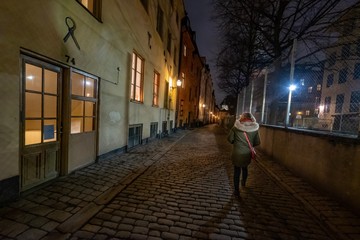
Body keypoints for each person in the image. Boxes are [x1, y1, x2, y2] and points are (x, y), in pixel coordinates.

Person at [227, 112, 260, 197]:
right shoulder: (254, 129)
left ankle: (236, 190)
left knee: (236, 171)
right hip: (247, 153)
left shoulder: (236, 127)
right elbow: (257, 142)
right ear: (251, 118)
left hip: (237, 153)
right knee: (245, 168)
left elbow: (230, 139)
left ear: (242, 118)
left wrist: (236, 142)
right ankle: (243, 183)